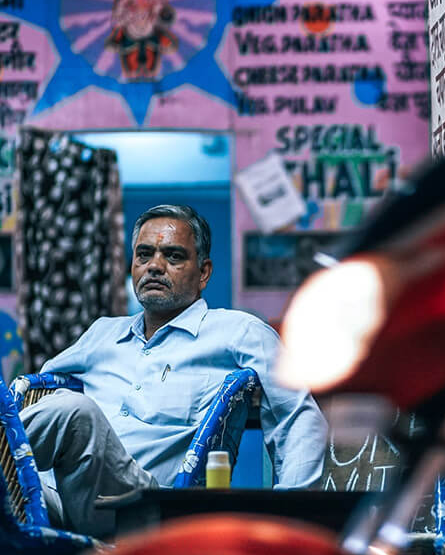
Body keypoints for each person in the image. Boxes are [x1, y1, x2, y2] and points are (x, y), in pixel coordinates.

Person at [20, 204, 328, 536]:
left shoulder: (239, 332)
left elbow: (298, 416)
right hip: (55, 501)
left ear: (204, 272)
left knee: (75, 412)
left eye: (173, 256)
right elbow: (33, 401)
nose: (154, 266)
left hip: (143, 510)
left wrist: (292, 515)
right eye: (144, 255)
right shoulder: (102, 333)